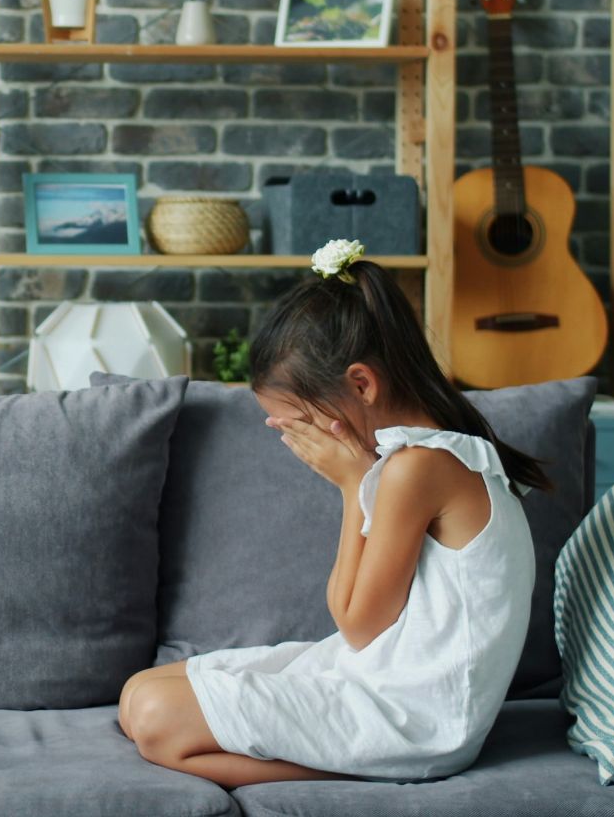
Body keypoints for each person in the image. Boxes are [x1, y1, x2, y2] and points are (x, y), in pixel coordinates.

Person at [116, 238, 553, 787]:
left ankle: (350, 766)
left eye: (300, 422)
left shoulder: (417, 467)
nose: (298, 440)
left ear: (361, 384)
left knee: (156, 718)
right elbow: (354, 633)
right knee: (138, 692)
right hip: (371, 673)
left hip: (417, 717)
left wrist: (353, 486)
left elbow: (359, 624)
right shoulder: (421, 457)